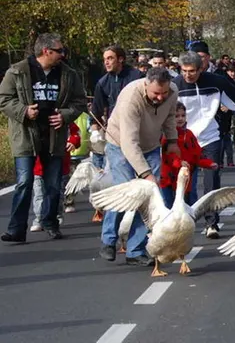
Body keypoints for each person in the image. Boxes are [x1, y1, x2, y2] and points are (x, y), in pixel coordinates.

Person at [0, 33, 86, 242]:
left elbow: (79, 101)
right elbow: (4, 99)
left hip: (54, 135)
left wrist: (65, 116)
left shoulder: (68, 74)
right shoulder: (18, 71)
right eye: (59, 51)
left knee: (54, 183)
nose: (62, 55)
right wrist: (23, 111)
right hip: (26, 134)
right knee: (24, 182)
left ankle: (50, 221)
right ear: (46, 51)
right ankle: (16, 228)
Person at [97, 67, 180, 264]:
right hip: (120, 145)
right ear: (146, 85)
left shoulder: (173, 92)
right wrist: (146, 174)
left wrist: (172, 140)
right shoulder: (130, 98)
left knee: (148, 199)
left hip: (151, 145)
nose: (161, 97)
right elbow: (129, 142)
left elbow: (169, 117)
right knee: (126, 194)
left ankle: (136, 250)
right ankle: (109, 240)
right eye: (156, 93)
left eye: (164, 93)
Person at [174, 47, 235, 239]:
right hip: (184, 141)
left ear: (200, 69)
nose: (188, 75)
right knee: (184, 182)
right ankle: (184, 221)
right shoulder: (175, 87)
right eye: (184, 71)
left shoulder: (217, 82)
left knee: (211, 181)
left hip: (210, 138)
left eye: (192, 71)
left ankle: (211, 223)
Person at [90, 46, 142, 172]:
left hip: (138, 131)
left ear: (120, 59)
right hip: (115, 133)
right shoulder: (103, 83)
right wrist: (95, 131)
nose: (106, 62)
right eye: (104, 59)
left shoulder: (137, 77)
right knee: (119, 172)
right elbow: (96, 111)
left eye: (110, 58)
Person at [159, 102, 217, 208]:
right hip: (169, 179)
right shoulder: (166, 135)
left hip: (186, 178)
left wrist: (209, 164)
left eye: (183, 115)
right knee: (169, 206)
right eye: (176, 116)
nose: (180, 119)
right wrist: (179, 163)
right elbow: (168, 156)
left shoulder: (189, 134)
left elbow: (197, 155)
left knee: (189, 204)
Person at [30, 120, 80, 231]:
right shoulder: (36, 122)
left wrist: (73, 142)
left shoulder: (61, 119)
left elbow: (75, 133)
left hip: (59, 166)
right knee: (39, 195)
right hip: (38, 168)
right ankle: (39, 219)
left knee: (56, 193)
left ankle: (56, 215)